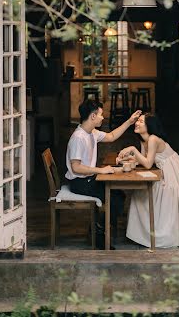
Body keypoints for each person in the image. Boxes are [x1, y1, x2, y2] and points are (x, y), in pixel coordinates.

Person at [66, 98, 141, 248]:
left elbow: (111, 136)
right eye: (101, 114)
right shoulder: (78, 138)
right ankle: (100, 235)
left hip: (88, 178)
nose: (103, 117)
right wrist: (101, 170)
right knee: (115, 199)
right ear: (93, 116)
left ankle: (101, 229)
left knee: (118, 195)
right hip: (79, 182)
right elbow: (76, 168)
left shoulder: (91, 132)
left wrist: (129, 121)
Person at [117, 113, 179, 250]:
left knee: (148, 191)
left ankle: (160, 235)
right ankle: (145, 235)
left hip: (171, 170)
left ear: (149, 125)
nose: (137, 123)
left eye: (141, 121)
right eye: (137, 121)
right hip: (161, 169)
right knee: (139, 193)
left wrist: (132, 149)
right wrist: (126, 159)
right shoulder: (144, 140)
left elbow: (147, 164)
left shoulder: (153, 139)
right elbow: (144, 160)